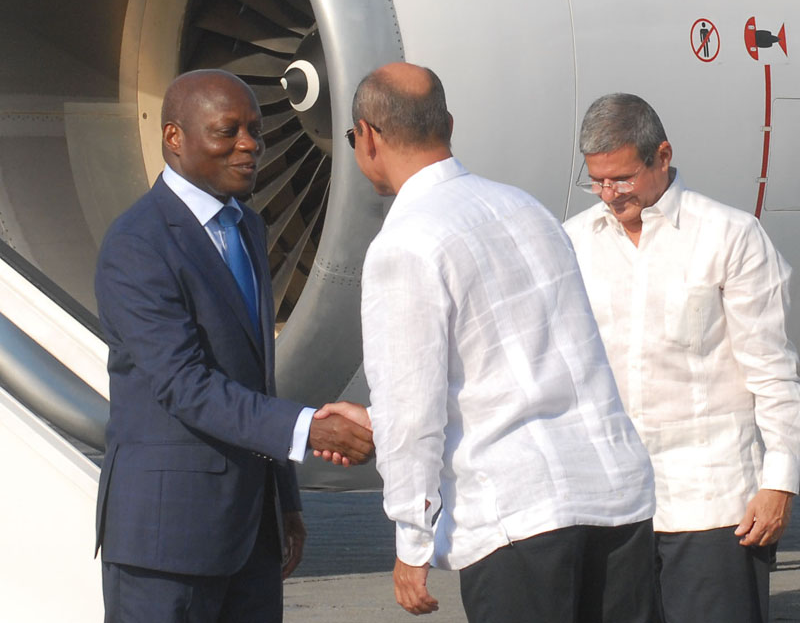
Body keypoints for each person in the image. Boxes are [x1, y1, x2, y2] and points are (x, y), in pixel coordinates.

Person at [317, 62, 657, 622]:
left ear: (368, 138)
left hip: (519, 515)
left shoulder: (405, 243)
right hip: (613, 494)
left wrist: (412, 535)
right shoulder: (527, 210)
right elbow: (522, 362)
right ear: (448, 124)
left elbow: (412, 408)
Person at [93, 69, 374, 622]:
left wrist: (284, 502)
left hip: (251, 537)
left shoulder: (245, 225)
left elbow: (254, 377)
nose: (250, 146)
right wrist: (309, 429)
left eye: (256, 130)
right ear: (174, 138)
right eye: (228, 132)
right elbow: (184, 384)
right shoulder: (138, 244)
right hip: (166, 541)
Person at [563, 93, 800, 623]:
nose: (608, 195)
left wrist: (780, 482)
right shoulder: (574, 243)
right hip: (614, 504)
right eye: (597, 181)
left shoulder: (729, 236)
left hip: (714, 501)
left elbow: (773, 369)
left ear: (662, 156)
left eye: (622, 179)